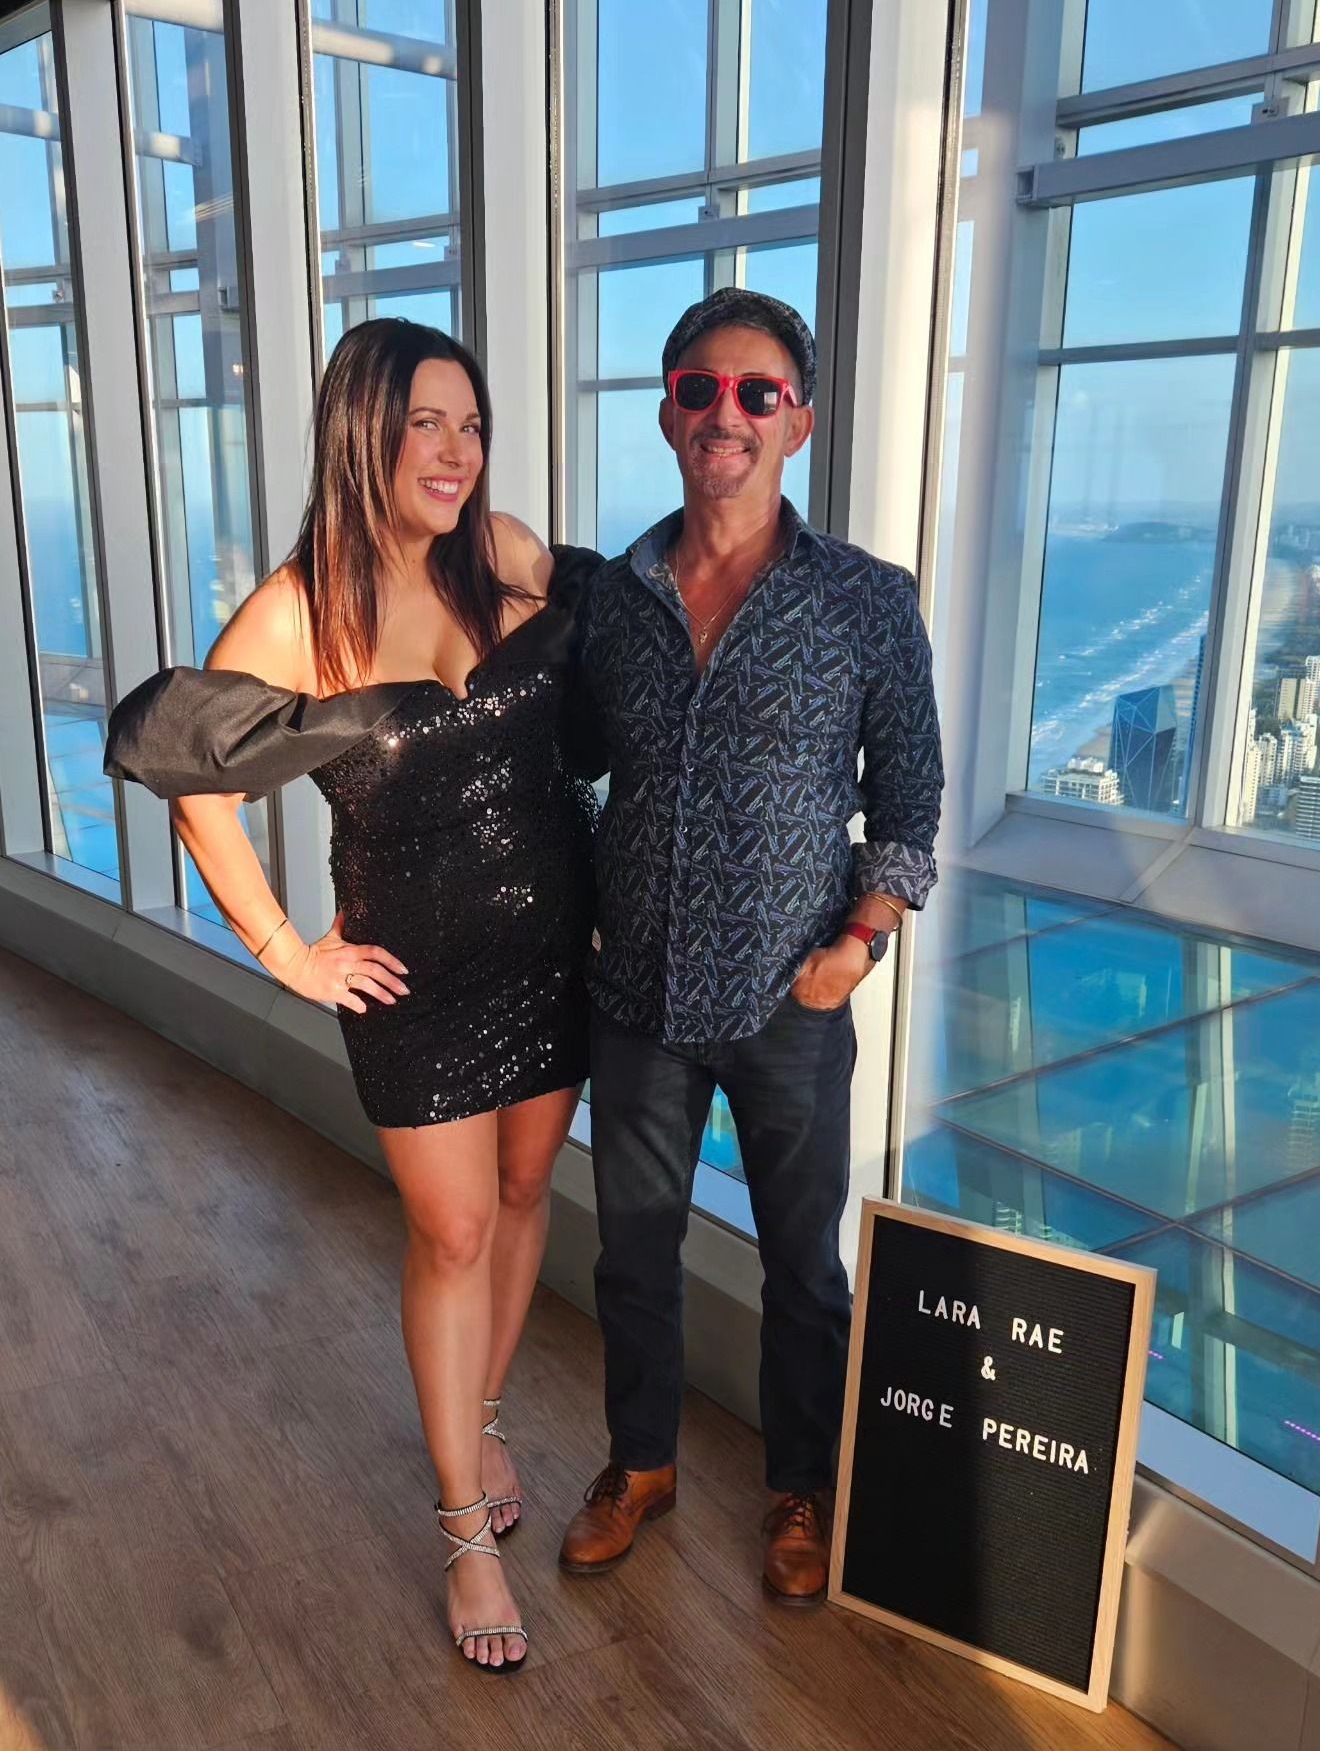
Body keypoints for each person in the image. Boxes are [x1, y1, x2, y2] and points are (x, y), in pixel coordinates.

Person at [105, 319, 602, 1673]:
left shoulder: (499, 550)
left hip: (552, 945)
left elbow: (613, 649)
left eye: (470, 424)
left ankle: (484, 1407)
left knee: (518, 1199)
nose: (455, 452)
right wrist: (283, 948)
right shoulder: (294, 609)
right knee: (447, 1233)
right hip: (414, 975)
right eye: (425, 424)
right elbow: (183, 764)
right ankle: (463, 1534)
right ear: (359, 432)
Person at [559, 288, 943, 1606]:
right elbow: (578, 767)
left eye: (755, 393)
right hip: (636, 990)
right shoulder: (615, 599)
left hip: (792, 991)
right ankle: (641, 1464)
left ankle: (802, 1490)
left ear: (799, 423)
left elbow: (909, 795)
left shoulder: (863, 602)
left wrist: (858, 946)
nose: (725, 412)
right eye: (699, 389)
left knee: (802, 1267)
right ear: (669, 410)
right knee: (630, 1253)